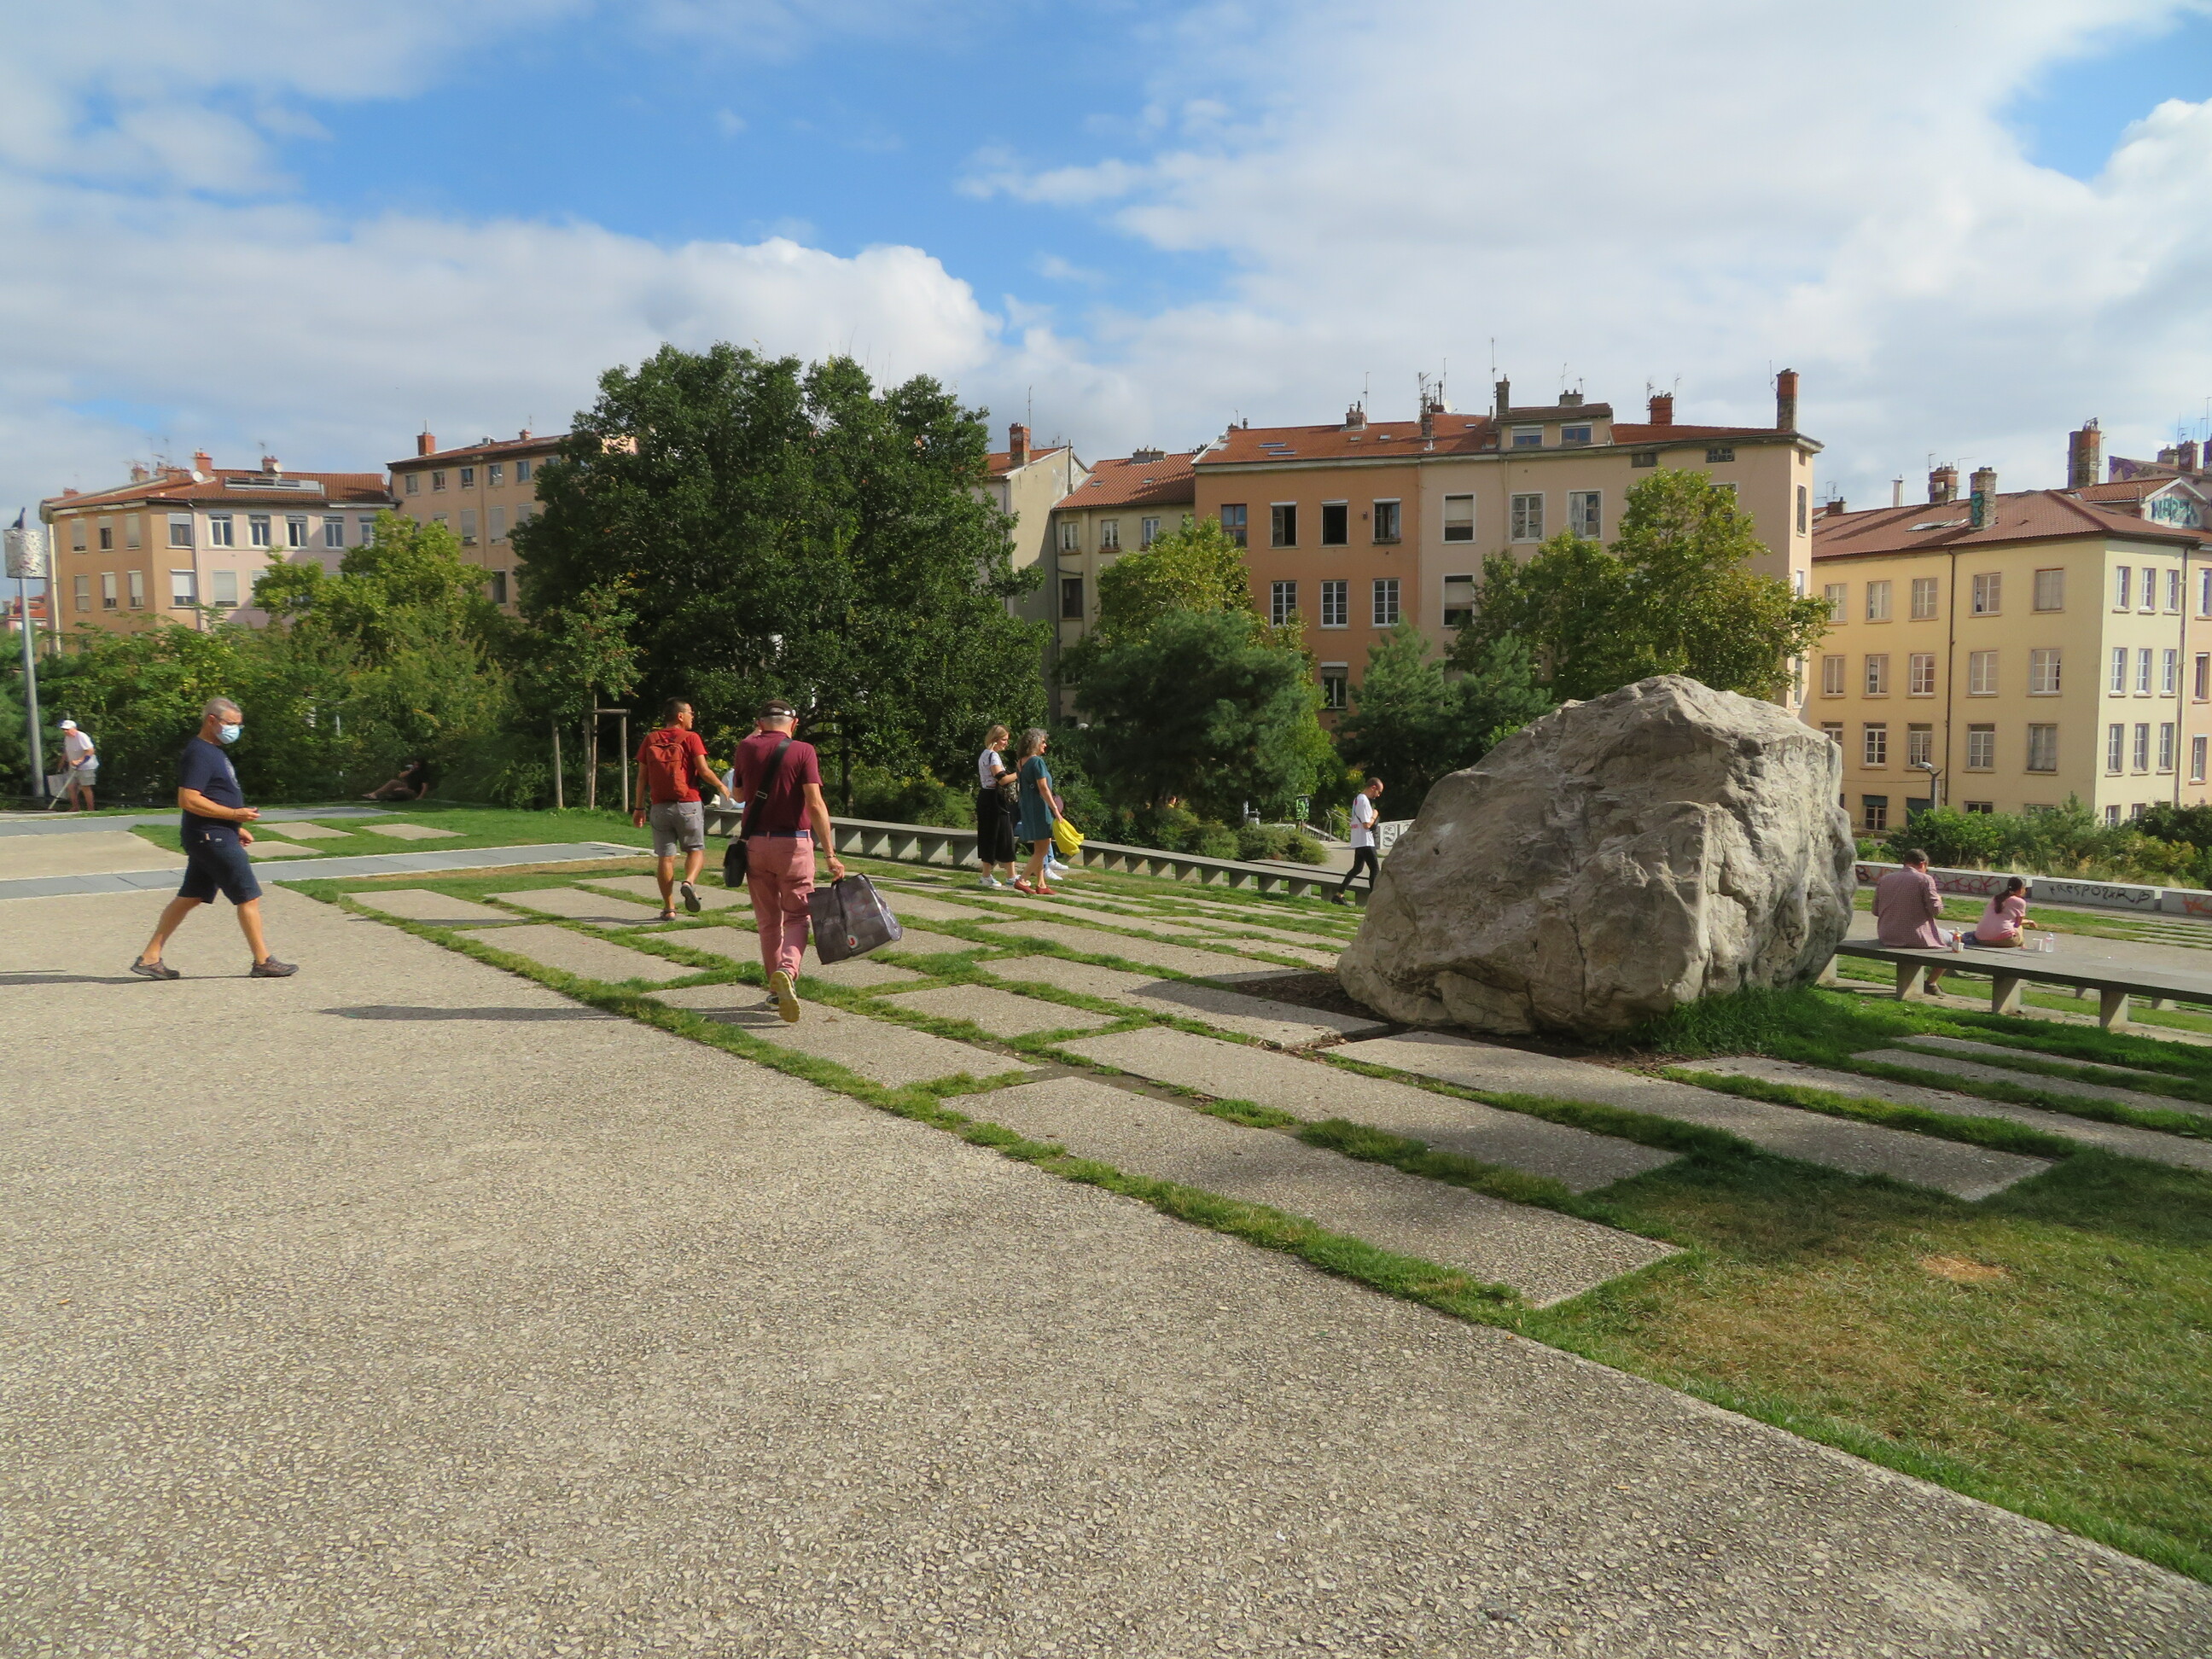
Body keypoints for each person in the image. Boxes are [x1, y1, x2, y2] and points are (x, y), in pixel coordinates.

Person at [130, 697, 296, 980]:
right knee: (248, 896)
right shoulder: (199, 753)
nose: (235, 730)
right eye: (231, 724)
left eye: (239, 725)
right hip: (211, 838)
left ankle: (149, 958)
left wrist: (235, 826)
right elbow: (188, 799)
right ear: (211, 720)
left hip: (212, 834)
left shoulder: (212, 751)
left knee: (190, 897)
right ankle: (263, 961)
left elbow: (213, 795)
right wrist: (233, 815)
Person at [731, 698, 845, 1022]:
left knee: (768, 922)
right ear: (794, 724)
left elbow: (739, 796)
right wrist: (830, 854)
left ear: (760, 723)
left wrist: (751, 740)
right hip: (793, 846)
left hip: (755, 845)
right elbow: (815, 803)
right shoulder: (803, 751)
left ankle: (774, 990)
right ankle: (788, 969)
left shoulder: (746, 748)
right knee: (796, 917)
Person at [632, 698, 731, 920]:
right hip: (688, 804)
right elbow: (703, 770)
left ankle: (669, 909)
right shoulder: (691, 738)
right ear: (680, 716)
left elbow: (642, 778)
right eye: (690, 713)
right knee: (695, 850)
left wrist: (639, 807)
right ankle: (688, 882)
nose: (692, 717)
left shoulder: (651, 739)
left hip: (659, 807)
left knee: (665, 858)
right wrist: (720, 785)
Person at [1873, 847, 1952, 991]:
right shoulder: (1925, 879)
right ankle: (1931, 983)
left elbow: (1875, 911)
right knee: (1954, 940)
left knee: (1942, 934)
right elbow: (1936, 911)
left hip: (1887, 935)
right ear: (1923, 864)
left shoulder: (1884, 879)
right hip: (1916, 938)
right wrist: (1939, 900)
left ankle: (1924, 982)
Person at [1012, 727, 1063, 895]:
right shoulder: (1037, 762)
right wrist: (1055, 809)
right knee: (1043, 848)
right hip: (1040, 808)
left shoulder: (1021, 762)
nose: (1045, 745)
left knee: (1039, 847)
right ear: (1034, 743)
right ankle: (1022, 880)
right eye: (1043, 742)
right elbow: (1043, 788)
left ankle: (1041, 884)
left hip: (1027, 807)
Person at [975, 724, 1019, 888]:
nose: (1006, 743)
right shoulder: (993, 756)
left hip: (986, 797)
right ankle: (1011, 876)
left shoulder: (984, 754)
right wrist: (1019, 773)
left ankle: (987, 875)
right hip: (994, 799)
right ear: (995, 739)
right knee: (1005, 834)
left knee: (990, 836)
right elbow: (1001, 779)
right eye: (1004, 740)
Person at [1333, 776, 1384, 905]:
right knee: (1375, 869)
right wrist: (1375, 814)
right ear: (1373, 788)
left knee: (1357, 869)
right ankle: (1374, 901)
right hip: (1365, 840)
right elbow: (1367, 824)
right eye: (1378, 792)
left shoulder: (1358, 799)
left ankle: (1339, 895)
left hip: (1359, 840)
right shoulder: (1363, 800)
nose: (1378, 795)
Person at [1970, 876, 2035, 949]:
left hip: (1981, 939)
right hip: (2005, 940)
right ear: (2021, 889)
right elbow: (2017, 924)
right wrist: (2029, 922)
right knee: (2019, 927)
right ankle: (2022, 944)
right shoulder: (2020, 902)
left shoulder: (1996, 898)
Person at [57, 719, 96, 812]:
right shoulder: (67, 738)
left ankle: (91, 809)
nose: (65, 731)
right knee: (71, 787)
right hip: (73, 766)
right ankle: (75, 807)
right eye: (63, 729)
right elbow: (67, 751)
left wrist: (80, 761)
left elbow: (90, 750)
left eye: (67, 729)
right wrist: (62, 762)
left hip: (86, 766)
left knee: (85, 787)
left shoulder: (82, 736)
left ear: (74, 728)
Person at [364, 758, 434, 802]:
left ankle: (387, 797)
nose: (416, 766)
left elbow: (425, 787)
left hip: (414, 792)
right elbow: (400, 776)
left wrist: (420, 797)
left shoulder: (423, 774)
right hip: (407, 787)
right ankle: (374, 794)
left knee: (399, 792)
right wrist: (410, 771)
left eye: (418, 765)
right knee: (393, 782)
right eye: (415, 765)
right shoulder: (412, 771)